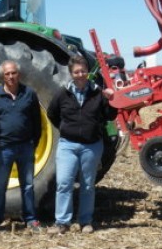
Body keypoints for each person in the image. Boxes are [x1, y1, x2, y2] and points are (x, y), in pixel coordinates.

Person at [46, 55, 116, 234]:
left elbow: (109, 115)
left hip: (91, 146)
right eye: (76, 71)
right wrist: (66, 128)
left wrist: (112, 100)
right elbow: (52, 114)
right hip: (68, 145)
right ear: (71, 73)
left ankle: (85, 221)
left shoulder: (97, 93)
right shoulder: (63, 94)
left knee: (87, 184)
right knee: (63, 183)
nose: (80, 74)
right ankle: (62, 221)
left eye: (83, 70)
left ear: (87, 71)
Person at [0, 60, 42, 233]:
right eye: (7, 74)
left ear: (19, 74)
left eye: (14, 73)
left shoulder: (29, 94)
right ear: (2, 76)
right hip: (4, 149)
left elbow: (37, 122)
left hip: (25, 147)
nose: (11, 76)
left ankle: (31, 219)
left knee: (28, 185)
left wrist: (33, 143)